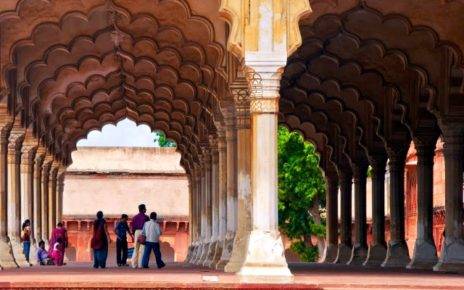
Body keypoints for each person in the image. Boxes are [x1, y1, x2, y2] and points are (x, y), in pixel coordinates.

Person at [131, 204, 149, 268]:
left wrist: (134, 234)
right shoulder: (146, 217)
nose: (146, 209)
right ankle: (140, 264)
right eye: (145, 208)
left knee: (136, 248)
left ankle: (134, 265)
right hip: (143, 232)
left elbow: (132, 227)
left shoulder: (135, 217)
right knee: (142, 249)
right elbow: (147, 226)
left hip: (136, 232)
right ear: (143, 209)